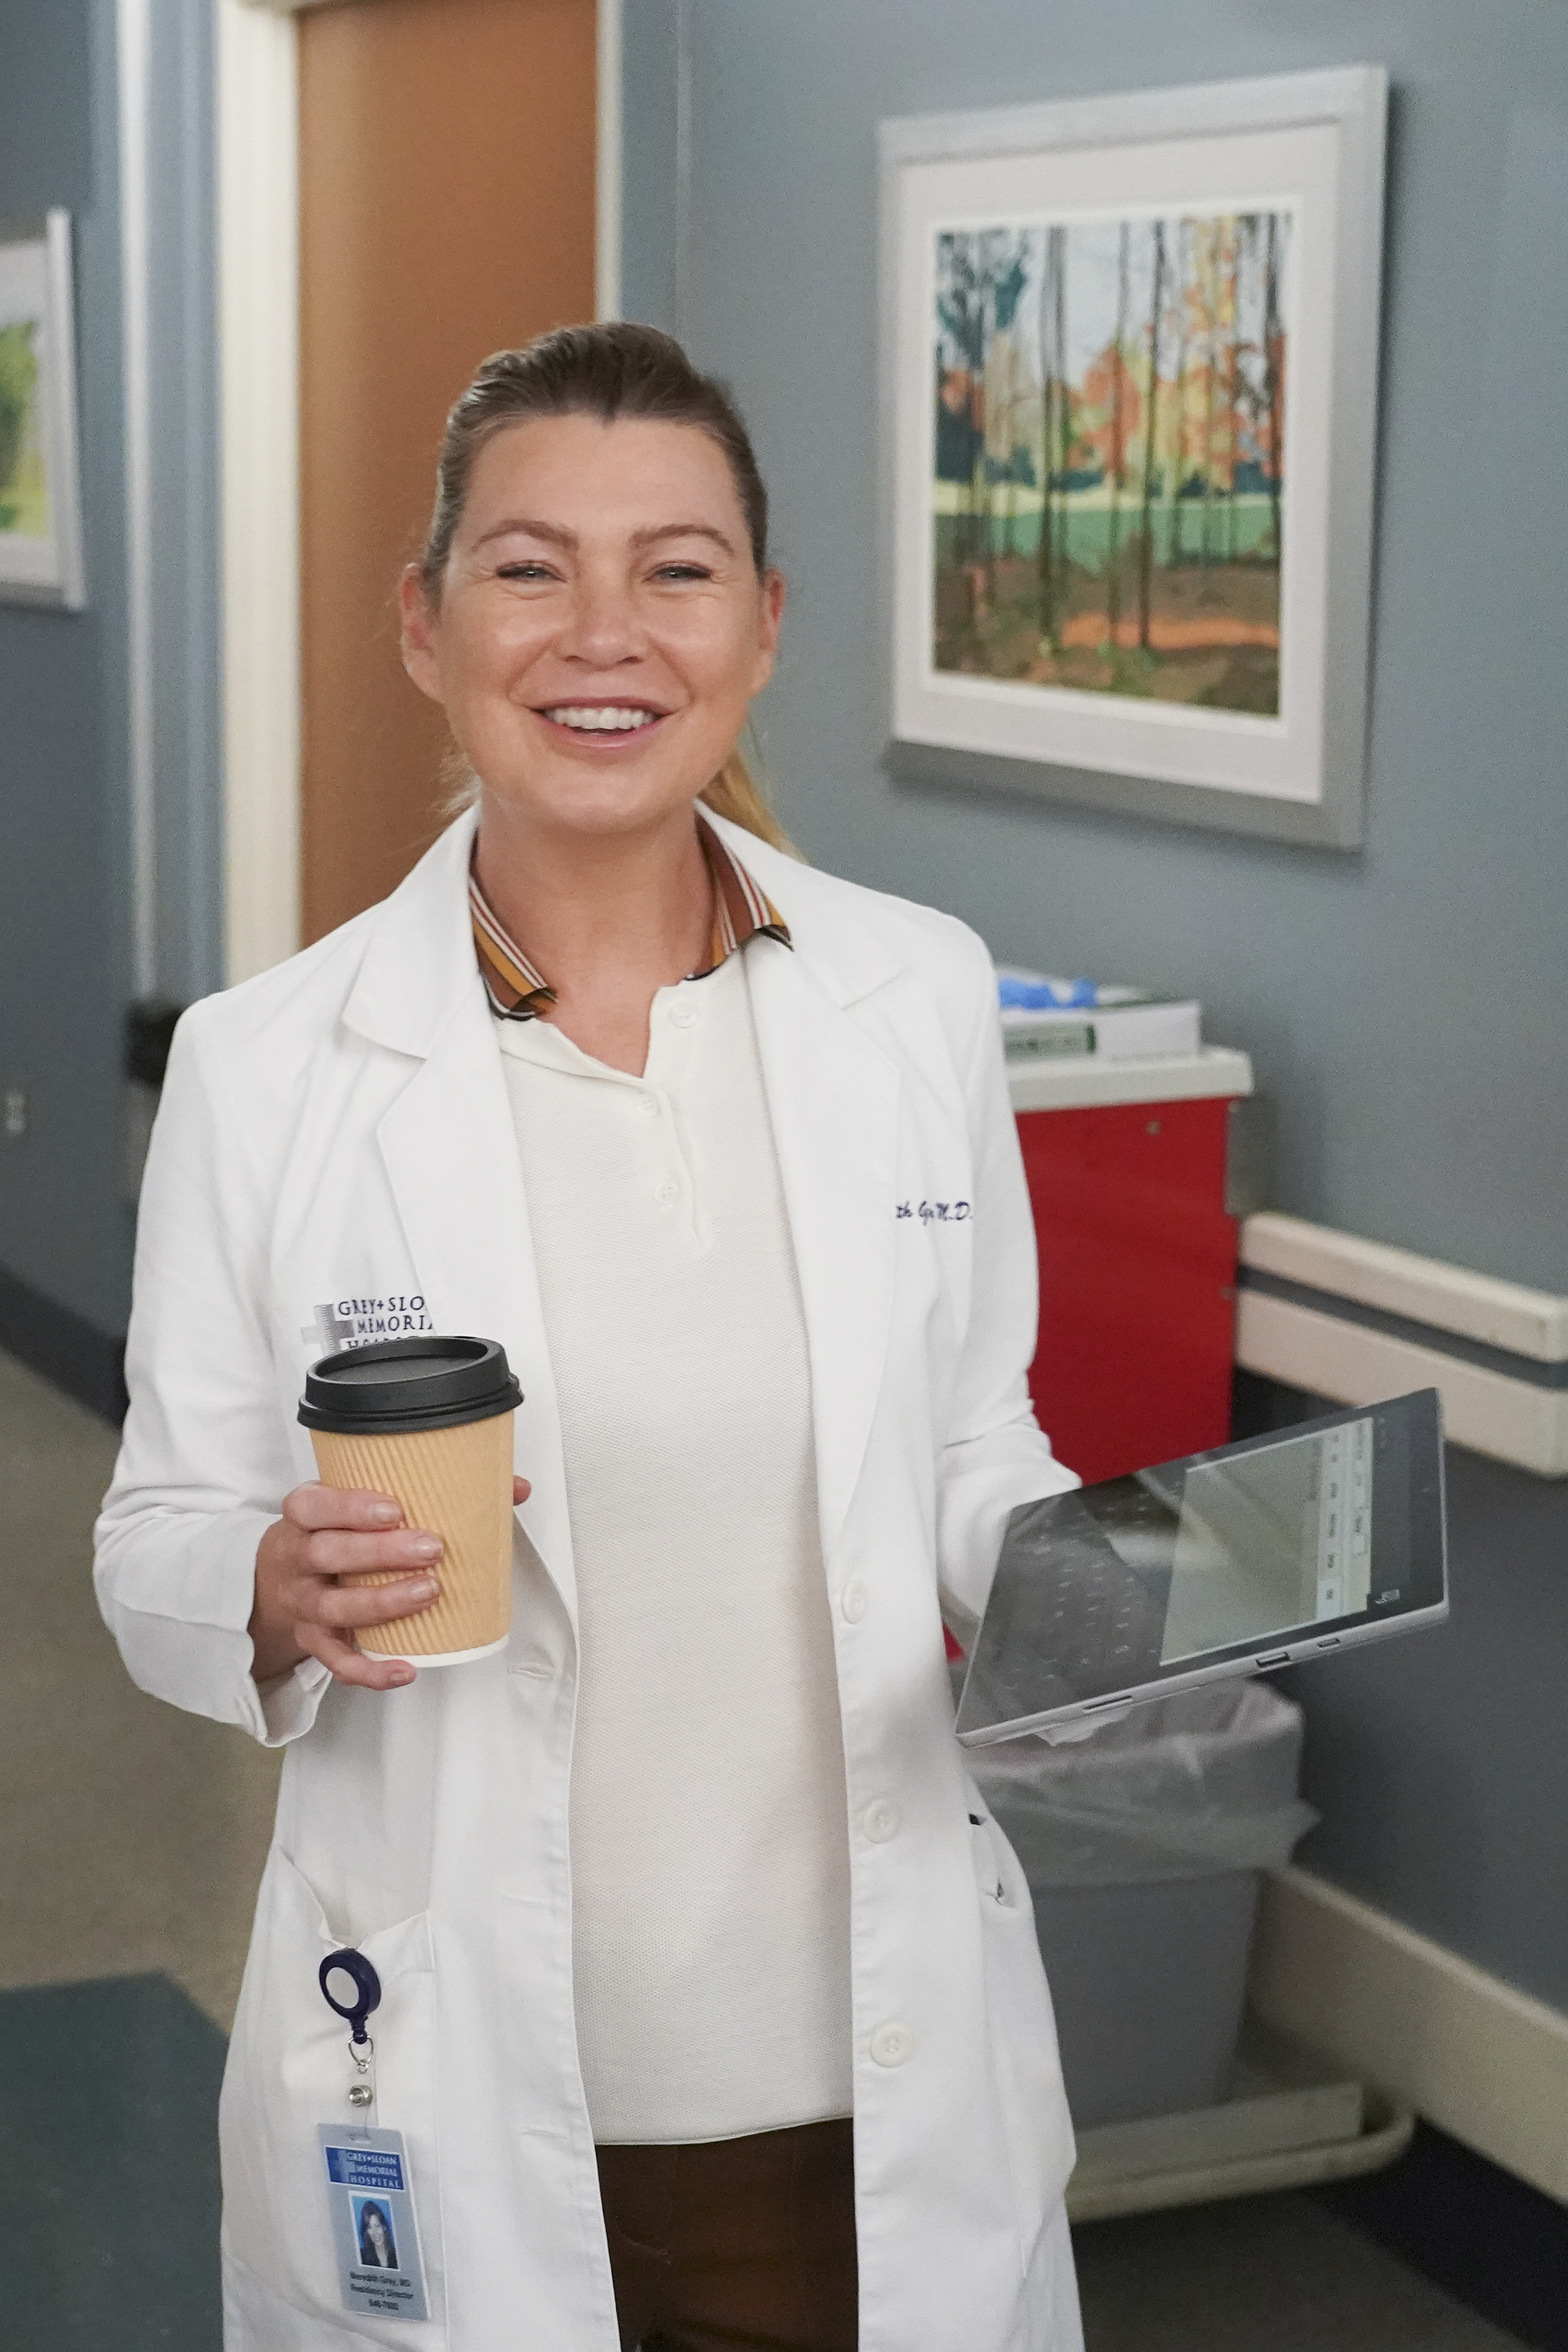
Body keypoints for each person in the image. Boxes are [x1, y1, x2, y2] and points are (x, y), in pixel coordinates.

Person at [95, 323, 1083, 2352]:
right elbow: (158, 1535)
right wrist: (265, 1585)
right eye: (531, 566)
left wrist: (1122, 1599)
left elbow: (979, 1440)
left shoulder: (914, 1000)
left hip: (866, 2085)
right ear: (424, 625)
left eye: (680, 566)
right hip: (456, 2069)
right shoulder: (269, 1069)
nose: (604, 632)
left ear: (767, 623)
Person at [357, 2201, 396, 2270]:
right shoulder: (361, 2257)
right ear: (366, 2232)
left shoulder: (397, 2255)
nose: (375, 2233)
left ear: (384, 2227)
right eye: (369, 2227)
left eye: (377, 2226)